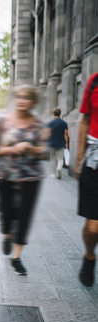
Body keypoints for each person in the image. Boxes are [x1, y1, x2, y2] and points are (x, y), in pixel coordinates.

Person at [0, 85, 47, 275]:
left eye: (27, 97)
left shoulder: (38, 126)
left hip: (31, 176)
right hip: (4, 174)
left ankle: (17, 257)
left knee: (25, 215)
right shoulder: (2, 123)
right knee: (6, 213)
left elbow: (44, 152)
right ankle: (7, 233)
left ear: (33, 102)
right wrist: (14, 148)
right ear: (15, 99)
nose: (22, 100)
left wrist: (32, 148)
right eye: (19, 97)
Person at [75, 72, 98, 287]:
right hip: (94, 162)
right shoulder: (94, 81)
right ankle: (90, 255)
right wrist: (79, 157)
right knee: (93, 227)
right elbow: (84, 120)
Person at [47, 107, 69, 179]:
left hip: (52, 143)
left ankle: (53, 174)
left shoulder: (50, 123)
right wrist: (66, 143)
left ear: (53, 114)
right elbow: (65, 134)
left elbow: (48, 133)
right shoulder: (64, 123)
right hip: (61, 143)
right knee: (60, 159)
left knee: (52, 158)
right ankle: (59, 168)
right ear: (60, 113)